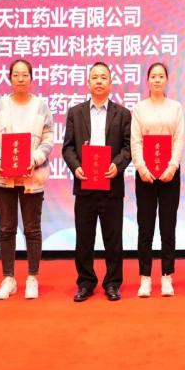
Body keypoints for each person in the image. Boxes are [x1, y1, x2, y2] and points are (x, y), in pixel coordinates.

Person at [62, 62, 132, 302]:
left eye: (103, 77)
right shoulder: (76, 112)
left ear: (110, 83)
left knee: (113, 239)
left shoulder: (122, 113)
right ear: (88, 83)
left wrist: (117, 165)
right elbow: (68, 148)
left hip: (112, 185)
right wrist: (76, 167)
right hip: (85, 185)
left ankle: (112, 283)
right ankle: (85, 282)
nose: (99, 81)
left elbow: (128, 147)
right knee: (84, 238)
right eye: (95, 77)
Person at [0, 59, 54, 300]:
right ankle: (8, 279)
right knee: (6, 229)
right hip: (3, 177)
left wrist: (35, 158)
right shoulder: (0, 105)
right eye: (16, 74)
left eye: (25, 74)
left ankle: (32, 277)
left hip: (32, 177)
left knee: (32, 229)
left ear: (31, 78)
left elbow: (48, 137)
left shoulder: (41, 106)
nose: (21, 78)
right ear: (10, 78)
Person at [130, 62, 184, 297]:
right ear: (148, 80)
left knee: (167, 227)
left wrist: (172, 166)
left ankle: (167, 276)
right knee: (146, 227)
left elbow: (179, 139)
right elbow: (135, 140)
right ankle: (145, 277)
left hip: (170, 173)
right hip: (145, 175)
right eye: (153, 76)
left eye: (161, 76)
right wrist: (141, 168)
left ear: (166, 80)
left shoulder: (176, 107)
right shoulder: (139, 108)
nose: (157, 80)